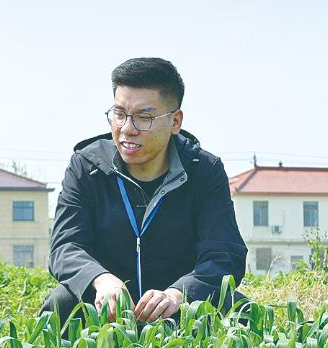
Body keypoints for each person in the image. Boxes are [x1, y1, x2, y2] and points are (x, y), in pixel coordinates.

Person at [44, 57, 248, 323]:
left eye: (144, 118)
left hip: (177, 307)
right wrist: (101, 279)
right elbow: (66, 246)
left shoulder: (204, 171)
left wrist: (179, 293)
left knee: (240, 310)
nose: (127, 129)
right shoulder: (87, 167)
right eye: (119, 114)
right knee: (61, 302)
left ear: (175, 121)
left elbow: (224, 253)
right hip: (107, 307)